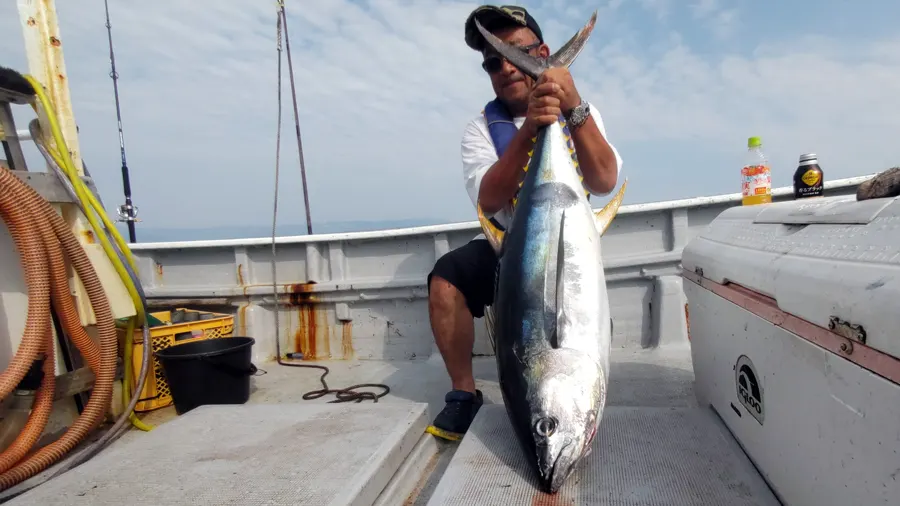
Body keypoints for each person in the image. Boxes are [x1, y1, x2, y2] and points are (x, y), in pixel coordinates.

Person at [425, 4, 623, 441]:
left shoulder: (583, 113)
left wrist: (572, 107)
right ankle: (463, 392)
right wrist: (531, 126)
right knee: (446, 279)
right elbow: (490, 198)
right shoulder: (480, 129)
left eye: (516, 54)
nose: (506, 68)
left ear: (544, 51)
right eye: (493, 62)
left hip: (570, 245)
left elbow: (605, 180)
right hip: (510, 245)